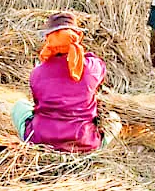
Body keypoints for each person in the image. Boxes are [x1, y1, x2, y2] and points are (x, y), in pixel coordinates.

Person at [11, 13, 120, 153]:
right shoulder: (92, 67)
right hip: (84, 144)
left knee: (19, 106)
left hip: (41, 141)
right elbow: (101, 69)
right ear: (77, 36)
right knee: (115, 120)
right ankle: (96, 147)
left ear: (48, 39)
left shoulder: (37, 73)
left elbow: (37, 105)